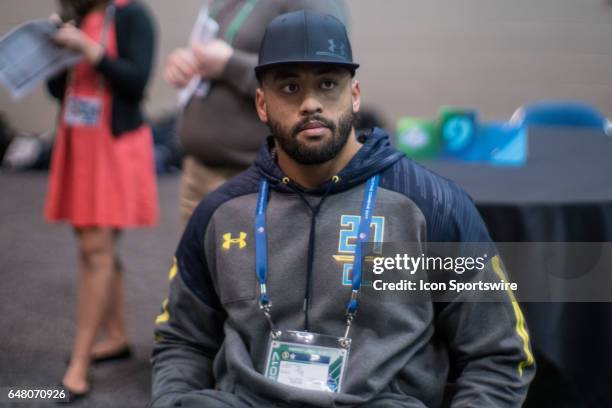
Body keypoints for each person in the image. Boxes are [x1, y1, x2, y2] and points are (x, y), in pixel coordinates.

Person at [151, 10, 535, 408]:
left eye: (328, 84)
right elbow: (182, 340)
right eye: (289, 88)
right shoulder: (221, 212)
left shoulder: (431, 206)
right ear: (262, 104)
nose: (310, 103)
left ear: (354, 96)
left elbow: (499, 356)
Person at [45, 0, 158, 401]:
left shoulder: (132, 14)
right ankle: (115, 335)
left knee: (97, 250)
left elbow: (136, 82)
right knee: (96, 247)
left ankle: (79, 363)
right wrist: (54, 51)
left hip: (114, 147)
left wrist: (90, 50)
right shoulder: (78, 16)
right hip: (80, 140)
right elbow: (57, 89)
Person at [163, 0, 348, 227]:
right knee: (194, 261)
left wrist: (230, 65)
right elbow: (211, 52)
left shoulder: (311, 4)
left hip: (256, 178)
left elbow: (323, 81)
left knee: (253, 262)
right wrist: (185, 62)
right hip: (198, 171)